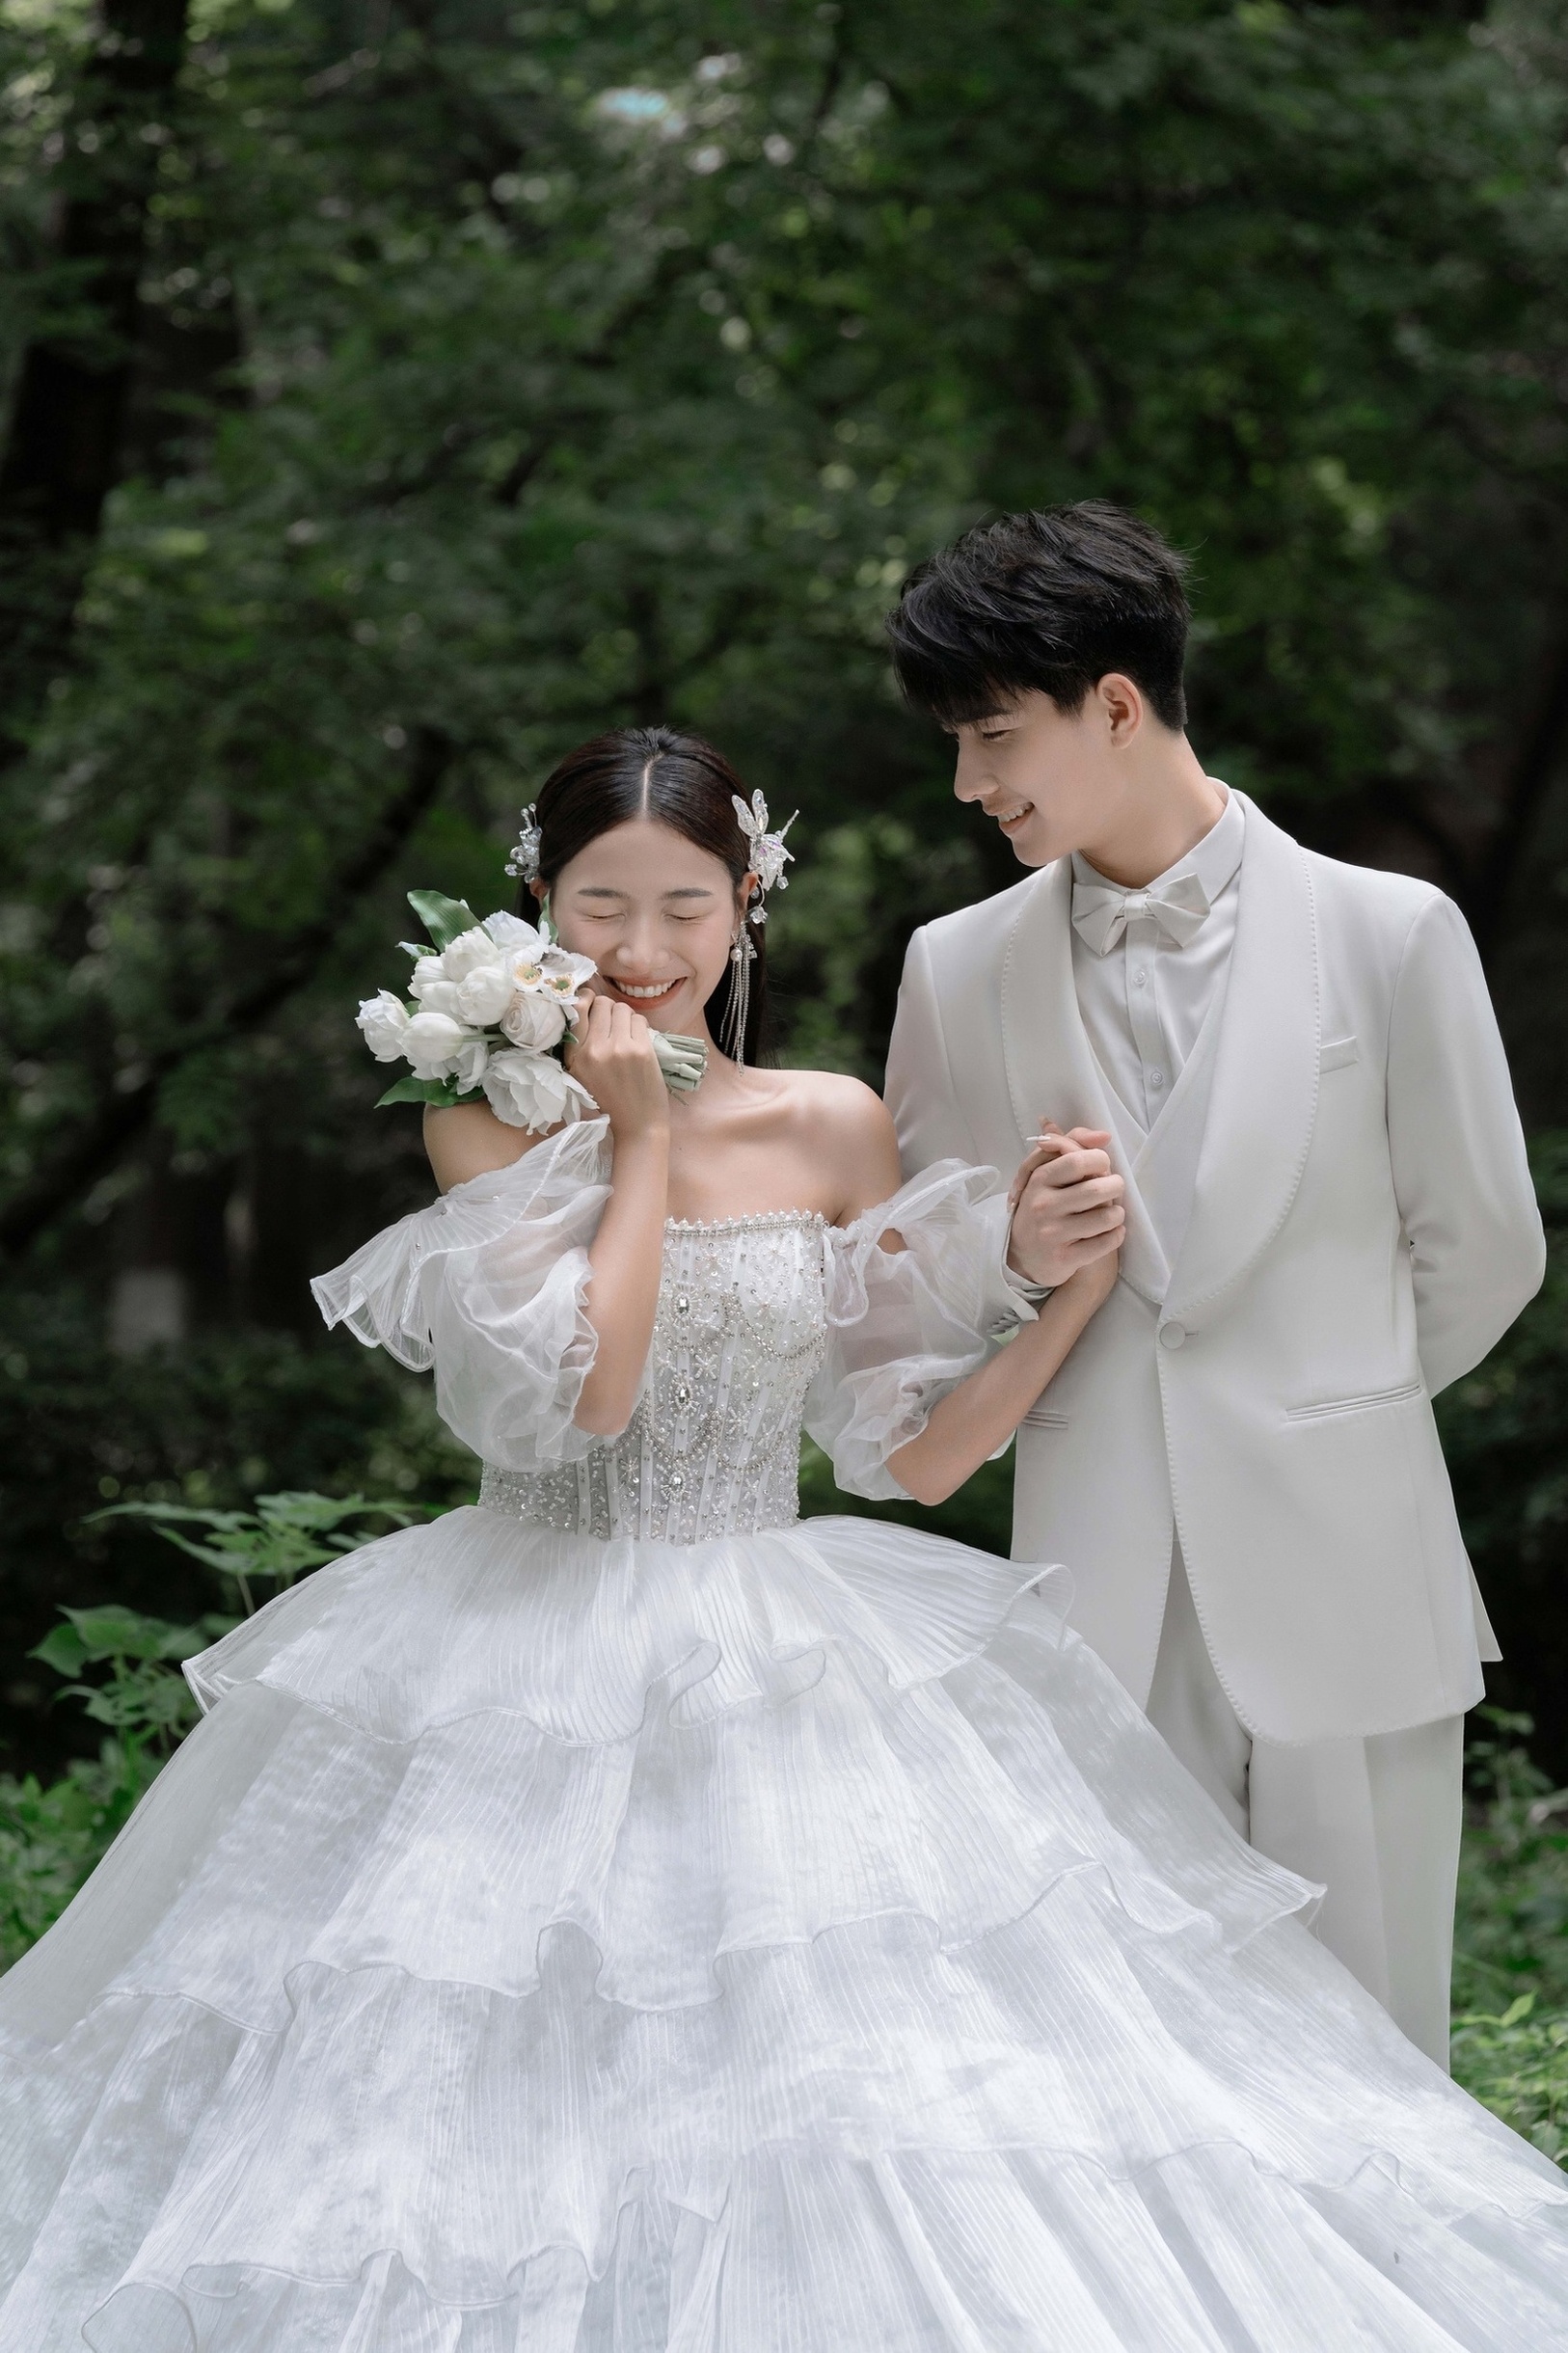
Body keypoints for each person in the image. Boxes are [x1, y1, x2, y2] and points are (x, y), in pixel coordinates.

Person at [2, 726, 1565, 2350]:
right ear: (538, 910)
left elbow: (915, 1457)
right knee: (480, 2072)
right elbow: (588, 1400)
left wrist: (1059, 1293)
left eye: (686, 905)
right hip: (514, 1646)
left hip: (775, 1632)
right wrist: (638, 1140)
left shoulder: (831, 1123)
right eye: (600, 905)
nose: (643, 948)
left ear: (746, 905)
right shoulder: (482, 1124)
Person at [882, 501, 1547, 2069]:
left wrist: (1324, 1402)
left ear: (1115, 705)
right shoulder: (952, 968)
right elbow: (911, 1289)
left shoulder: (1390, 934)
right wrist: (1014, 1253)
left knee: (1374, 2047)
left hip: (1347, 1568)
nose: (967, 783)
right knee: (1134, 2063)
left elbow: (1483, 1249)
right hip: (1095, 1585)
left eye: (991, 736)